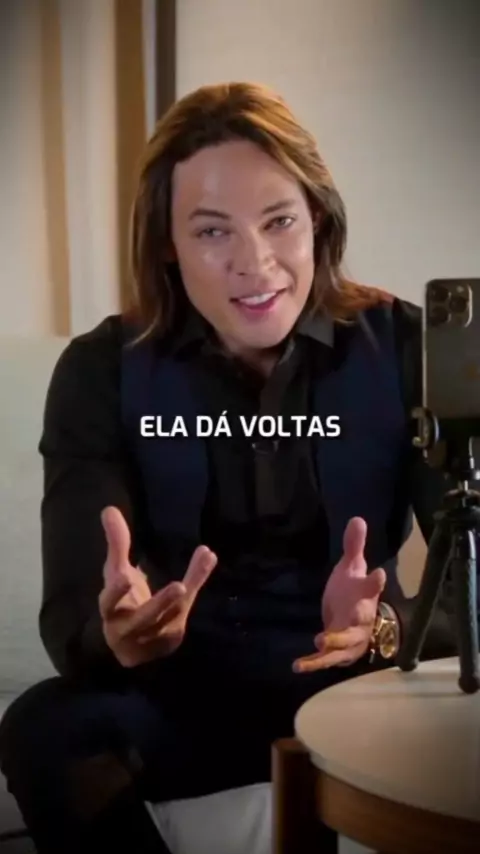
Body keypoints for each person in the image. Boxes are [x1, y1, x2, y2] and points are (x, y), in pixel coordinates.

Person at [0, 81, 466, 854]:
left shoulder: (408, 348)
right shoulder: (100, 370)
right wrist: (122, 634)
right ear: (167, 244)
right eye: (213, 231)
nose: (256, 264)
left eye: (279, 221)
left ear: (317, 219)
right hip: (182, 701)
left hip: (362, 691)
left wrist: (383, 628)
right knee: (43, 727)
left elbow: (471, 594)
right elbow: (75, 616)